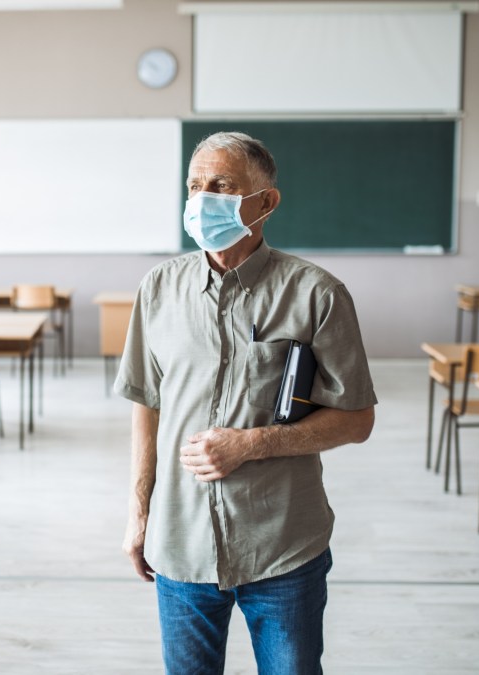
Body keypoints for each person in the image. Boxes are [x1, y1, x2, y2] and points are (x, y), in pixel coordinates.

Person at [114, 131, 377, 675]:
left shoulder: (316, 294)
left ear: (266, 201)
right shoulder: (158, 289)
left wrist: (254, 443)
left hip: (282, 544)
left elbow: (357, 419)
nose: (202, 199)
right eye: (194, 186)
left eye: (221, 186)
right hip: (180, 540)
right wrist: (139, 512)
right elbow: (147, 404)